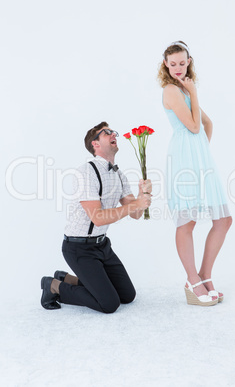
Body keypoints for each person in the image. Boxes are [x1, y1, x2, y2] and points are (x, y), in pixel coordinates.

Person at [40, 122, 152, 313]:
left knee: (127, 296)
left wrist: (143, 196)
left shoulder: (119, 175)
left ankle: (66, 277)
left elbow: (135, 214)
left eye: (113, 132)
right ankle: (53, 285)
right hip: (79, 248)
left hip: (102, 246)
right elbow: (98, 218)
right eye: (106, 133)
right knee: (109, 304)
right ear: (95, 144)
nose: (113, 134)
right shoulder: (86, 172)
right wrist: (136, 203)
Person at [158, 41, 233, 306]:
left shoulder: (184, 90)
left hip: (198, 160)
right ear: (166, 64)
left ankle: (205, 275)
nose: (178, 68)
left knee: (223, 220)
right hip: (182, 159)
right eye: (173, 63)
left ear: (189, 61)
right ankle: (192, 279)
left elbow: (207, 124)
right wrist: (193, 91)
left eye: (182, 62)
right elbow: (192, 126)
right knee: (187, 221)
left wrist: (200, 153)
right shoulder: (171, 90)